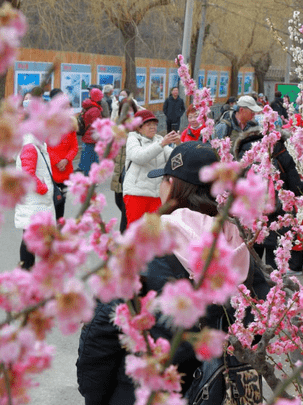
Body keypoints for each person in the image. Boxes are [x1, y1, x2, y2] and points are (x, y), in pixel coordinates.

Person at [76, 141, 271, 404]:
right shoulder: (239, 247)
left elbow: (102, 332)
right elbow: (258, 325)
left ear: (173, 184)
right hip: (212, 392)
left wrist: (96, 396)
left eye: (164, 180)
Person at [234, 129, 303, 274]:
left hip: (250, 216)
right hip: (278, 217)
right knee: (274, 262)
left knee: (251, 261)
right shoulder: (282, 152)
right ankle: (273, 289)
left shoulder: (243, 154)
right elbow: (297, 187)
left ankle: (252, 291)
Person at [122, 110, 179, 225]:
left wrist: (179, 143)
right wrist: (162, 144)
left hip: (157, 194)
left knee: (155, 233)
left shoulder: (159, 139)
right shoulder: (133, 139)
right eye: (149, 125)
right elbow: (140, 157)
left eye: (155, 124)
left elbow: (176, 160)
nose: (153, 127)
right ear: (139, 128)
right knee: (136, 231)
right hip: (136, 193)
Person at [14, 132, 55, 270]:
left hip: (36, 201)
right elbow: (28, 175)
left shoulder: (37, 146)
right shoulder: (30, 147)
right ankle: (27, 271)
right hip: (34, 201)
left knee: (32, 238)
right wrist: (44, 189)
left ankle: (30, 270)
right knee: (29, 239)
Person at [46, 88, 79, 220]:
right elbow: (45, 146)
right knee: (51, 202)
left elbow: (74, 146)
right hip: (51, 170)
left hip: (66, 170)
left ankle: (58, 226)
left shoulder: (70, 122)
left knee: (61, 203)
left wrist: (66, 159)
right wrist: (57, 161)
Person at [110, 97, 139, 233]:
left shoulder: (139, 127)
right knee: (118, 202)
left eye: (130, 110)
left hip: (132, 173)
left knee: (126, 210)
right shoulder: (117, 126)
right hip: (118, 171)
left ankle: (126, 235)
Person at [78, 88, 103, 175]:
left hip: (87, 136)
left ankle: (88, 175)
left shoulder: (88, 106)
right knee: (92, 159)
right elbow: (96, 125)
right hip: (92, 137)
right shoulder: (95, 109)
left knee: (88, 158)